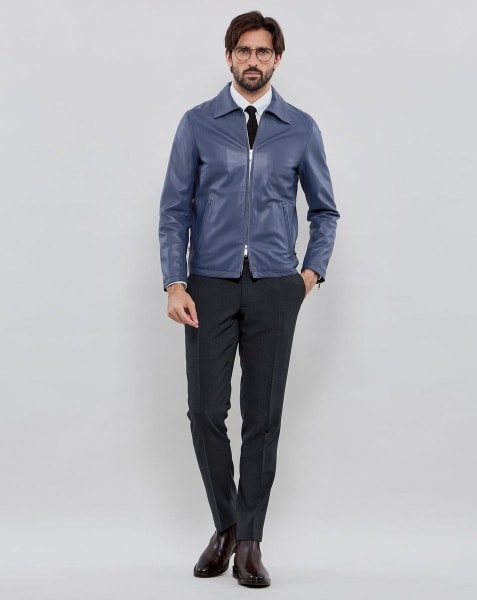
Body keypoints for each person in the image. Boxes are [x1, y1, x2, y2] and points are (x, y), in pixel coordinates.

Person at [159, 10, 339, 588]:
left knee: (263, 417)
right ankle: (227, 524)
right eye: (244, 51)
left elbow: (325, 211)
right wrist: (175, 281)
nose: (253, 61)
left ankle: (250, 543)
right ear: (229, 56)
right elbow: (174, 210)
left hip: (274, 287)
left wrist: (308, 275)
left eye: (263, 52)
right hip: (208, 286)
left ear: (277, 59)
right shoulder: (197, 123)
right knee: (205, 412)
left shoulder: (300, 128)